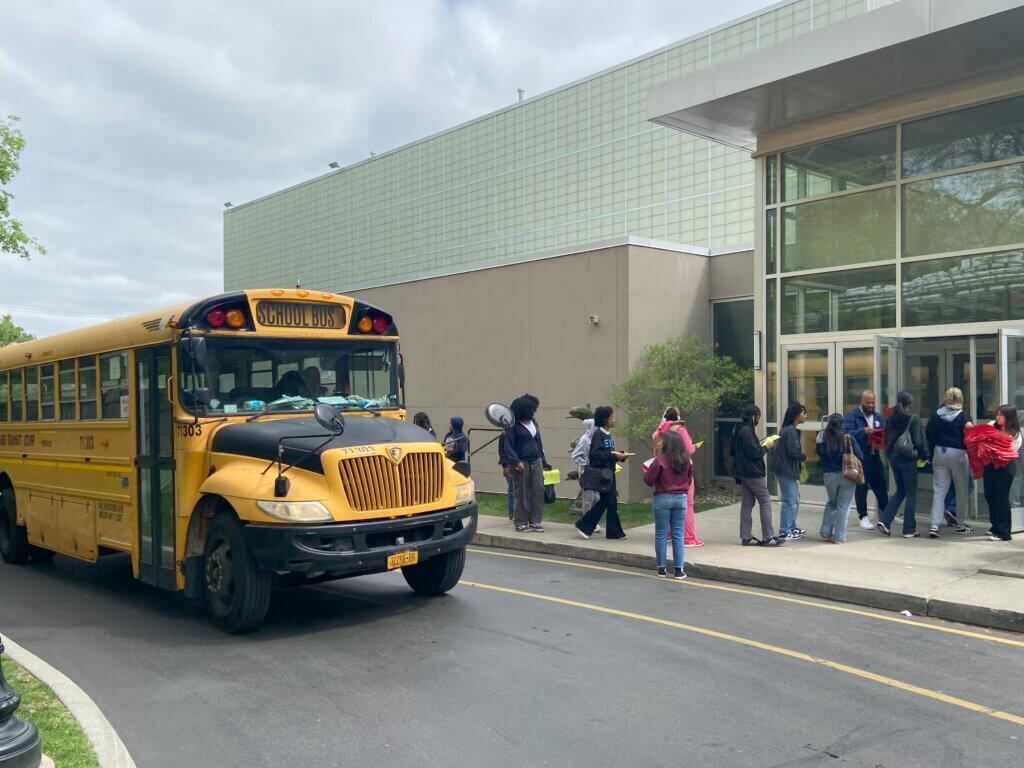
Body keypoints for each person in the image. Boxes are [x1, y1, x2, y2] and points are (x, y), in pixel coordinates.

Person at [730, 405, 784, 546]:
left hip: (742, 472)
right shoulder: (747, 431)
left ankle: (746, 537)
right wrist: (767, 446)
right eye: (759, 417)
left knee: (748, 502)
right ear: (754, 416)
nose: (759, 420)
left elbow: (734, 451)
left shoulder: (738, 429)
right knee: (765, 500)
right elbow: (754, 453)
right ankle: (768, 536)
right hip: (752, 472)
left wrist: (759, 444)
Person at [877, 391, 928, 538]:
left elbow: (887, 438)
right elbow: (919, 441)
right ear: (909, 404)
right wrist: (924, 455)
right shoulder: (913, 419)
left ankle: (885, 521)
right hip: (907, 459)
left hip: (894, 458)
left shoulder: (891, 418)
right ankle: (909, 529)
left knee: (901, 490)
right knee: (911, 493)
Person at [652, 407, 704, 547]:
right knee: (687, 504)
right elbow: (688, 449)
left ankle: (670, 534)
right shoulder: (680, 429)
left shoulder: (659, 431)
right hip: (681, 468)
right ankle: (688, 537)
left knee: (668, 503)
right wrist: (694, 446)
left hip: (665, 471)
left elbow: (656, 450)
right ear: (678, 416)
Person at [643, 429, 692, 579]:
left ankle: (662, 569)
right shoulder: (686, 460)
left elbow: (649, 481)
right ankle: (679, 570)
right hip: (681, 498)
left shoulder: (660, 460)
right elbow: (689, 480)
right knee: (678, 534)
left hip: (663, 497)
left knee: (661, 534)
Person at [575, 406, 628, 540]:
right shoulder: (598, 434)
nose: (613, 420)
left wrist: (620, 456)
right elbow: (596, 454)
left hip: (610, 472)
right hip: (603, 474)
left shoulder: (608, 435)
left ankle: (613, 532)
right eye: (611, 418)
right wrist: (614, 456)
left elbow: (609, 454)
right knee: (607, 501)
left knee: (610, 502)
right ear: (605, 420)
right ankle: (584, 525)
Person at [926, 387, 973, 537]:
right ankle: (961, 523)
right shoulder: (964, 415)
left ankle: (934, 525)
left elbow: (929, 434)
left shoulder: (936, 415)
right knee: (961, 489)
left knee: (939, 490)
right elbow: (971, 432)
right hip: (958, 453)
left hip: (939, 452)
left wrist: (930, 453)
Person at [502, 395, 551, 533]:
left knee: (538, 489)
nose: (533, 412)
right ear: (524, 410)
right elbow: (508, 446)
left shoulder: (533, 422)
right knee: (521, 492)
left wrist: (543, 460)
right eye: (532, 410)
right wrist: (515, 461)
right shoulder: (512, 426)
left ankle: (535, 520)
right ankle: (520, 522)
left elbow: (538, 442)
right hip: (520, 462)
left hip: (536, 460)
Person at [843, 391, 888, 529]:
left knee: (881, 486)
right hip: (860, 456)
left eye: (873, 402)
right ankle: (863, 516)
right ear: (861, 401)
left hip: (875, 455)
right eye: (867, 402)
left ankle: (886, 514)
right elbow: (847, 434)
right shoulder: (852, 416)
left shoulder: (878, 416)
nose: (870, 405)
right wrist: (863, 431)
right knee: (861, 487)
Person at [816, 413, 862, 544]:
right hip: (846, 475)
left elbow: (818, 453)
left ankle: (825, 531)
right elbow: (859, 454)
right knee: (843, 506)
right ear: (842, 424)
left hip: (829, 475)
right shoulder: (848, 438)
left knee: (832, 502)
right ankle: (839, 537)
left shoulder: (822, 437)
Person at [984, 405, 1022, 542]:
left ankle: (1004, 532)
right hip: (990, 465)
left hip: (1005, 467)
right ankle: (995, 526)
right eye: (997, 414)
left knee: (1001, 497)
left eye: (1001, 415)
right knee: (989, 495)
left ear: (1008, 417)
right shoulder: (991, 426)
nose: (997, 417)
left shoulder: (1015, 434)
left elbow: (1008, 452)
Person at [772, 402, 807, 540]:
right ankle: (785, 530)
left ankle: (791, 527)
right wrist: (803, 456)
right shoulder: (790, 431)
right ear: (797, 415)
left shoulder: (789, 430)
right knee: (790, 501)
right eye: (804, 413)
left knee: (794, 499)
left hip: (786, 469)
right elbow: (792, 451)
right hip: (785, 469)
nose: (806, 416)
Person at [571, 418, 601, 525]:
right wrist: (586, 463)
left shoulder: (597, 439)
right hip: (586, 473)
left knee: (597, 497)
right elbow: (575, 455)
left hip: (597, 472)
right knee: (588, 498)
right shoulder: (584, 440)